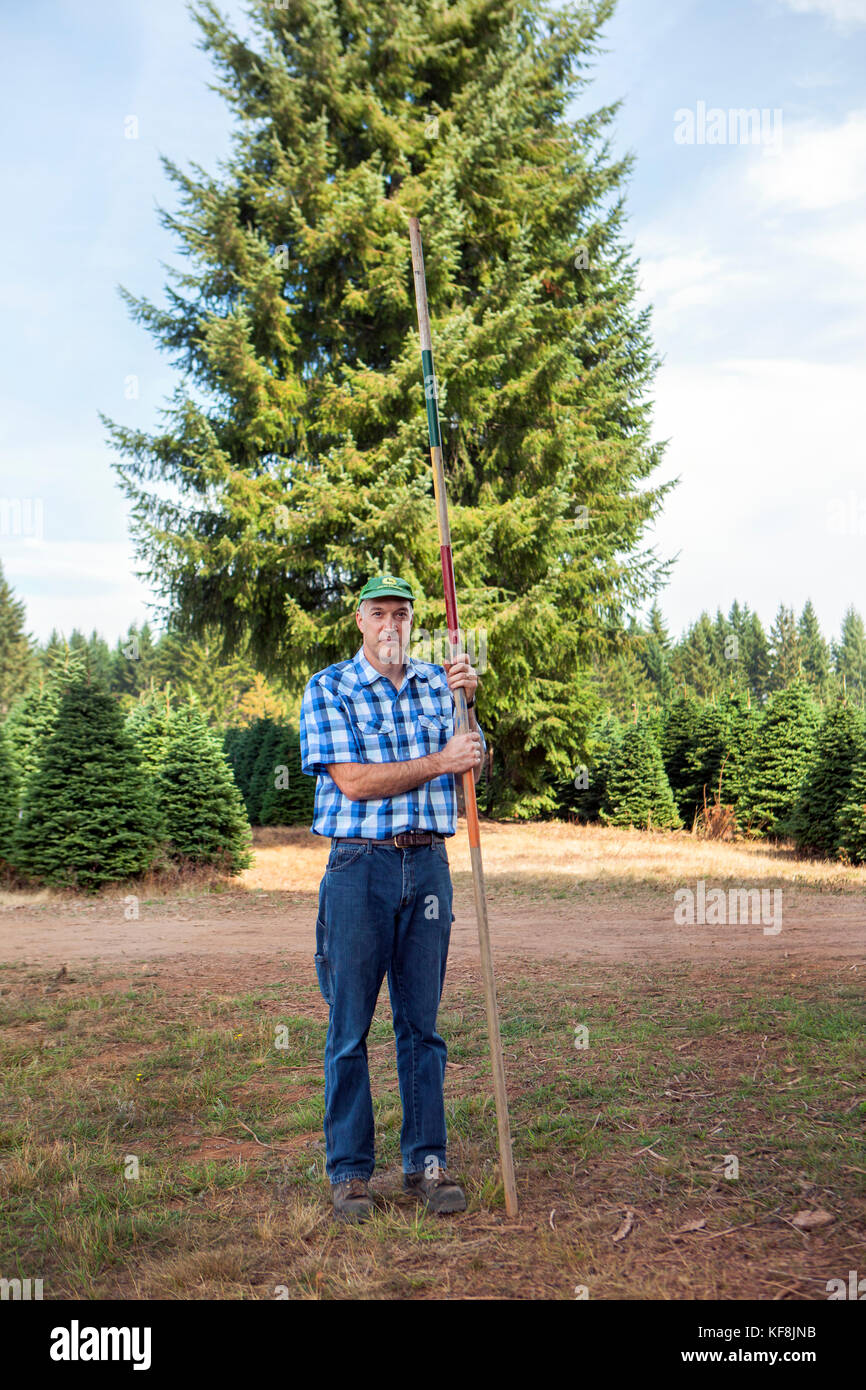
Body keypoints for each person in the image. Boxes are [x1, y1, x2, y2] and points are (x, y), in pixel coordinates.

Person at [299, 574, 486, 1223]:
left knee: (422, 1027)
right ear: (360, 620)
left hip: (428, 865)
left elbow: (472, 765)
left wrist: (467, 712)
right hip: (359, 868)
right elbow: (352, 782)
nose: (391, 624)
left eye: (401, 614)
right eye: (378, 612)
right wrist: (440, 760)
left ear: (412, 619)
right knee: (349, 1028)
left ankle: (426, 1165)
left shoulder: (442, 683)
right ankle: (350, 1173)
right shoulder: (329, 688)